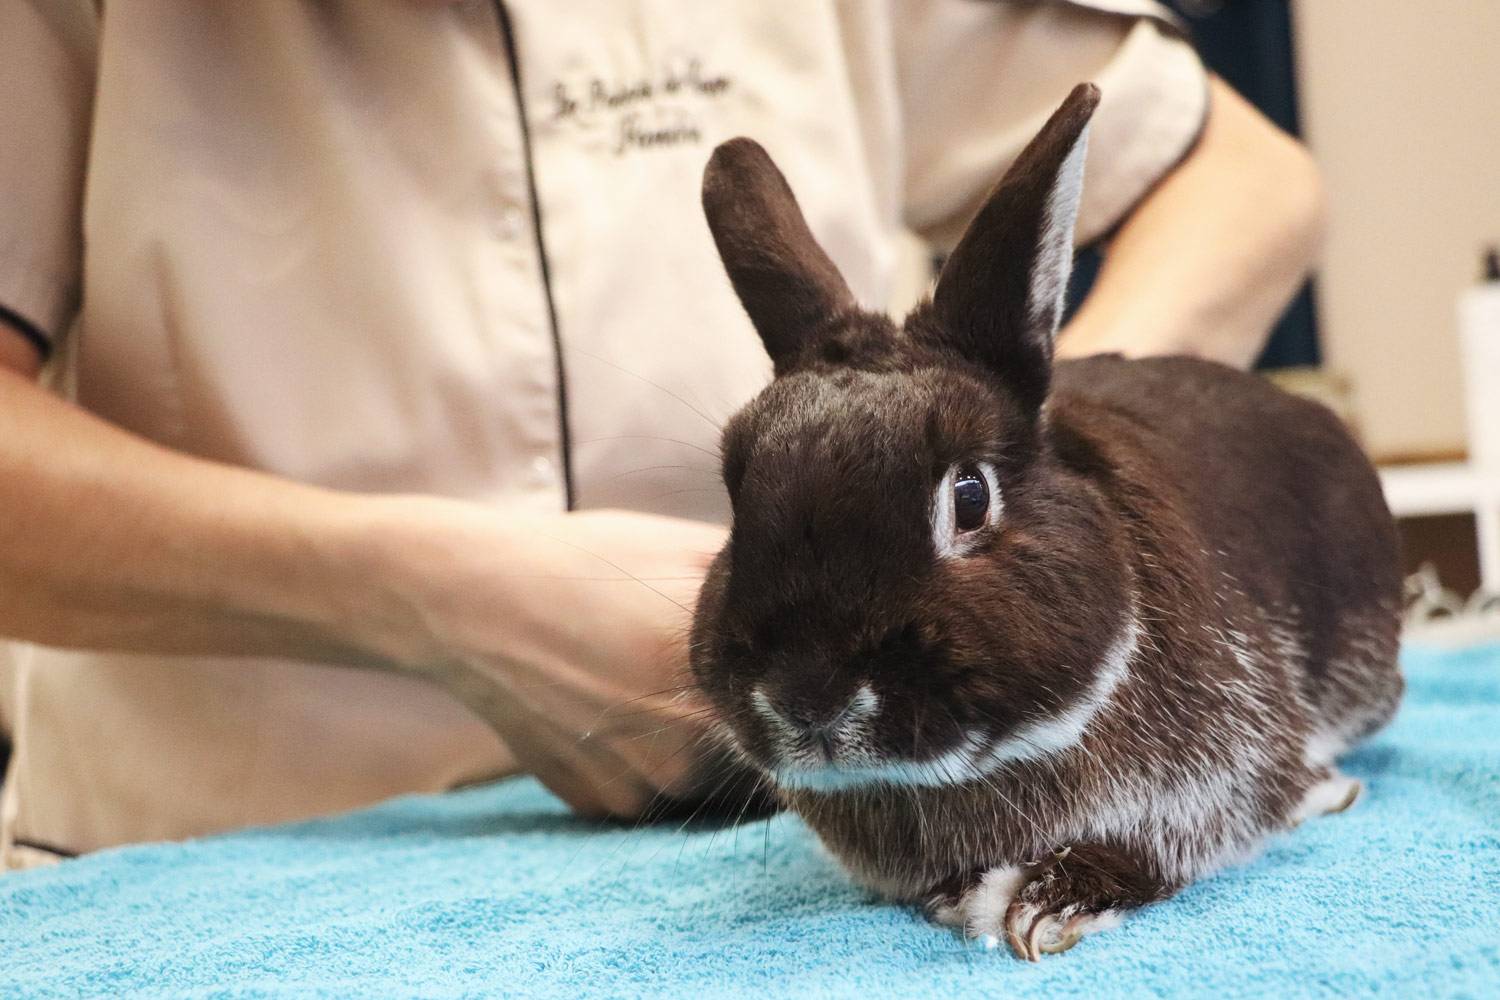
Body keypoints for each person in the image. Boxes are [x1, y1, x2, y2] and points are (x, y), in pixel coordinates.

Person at [0, 0, 1324, 870]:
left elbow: (1248, 182)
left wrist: (1007, 451)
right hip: (231, 860)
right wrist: (433, 602)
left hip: (817, 832)